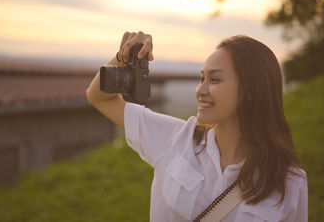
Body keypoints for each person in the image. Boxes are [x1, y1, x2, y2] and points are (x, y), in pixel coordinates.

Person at [86, 31, 308, 222]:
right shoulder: (175, 138)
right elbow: (99, 97)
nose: (200, 90)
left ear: (250, 91)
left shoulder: (290, 182)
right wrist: (121, 57)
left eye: (215, 80)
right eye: (202, 78)